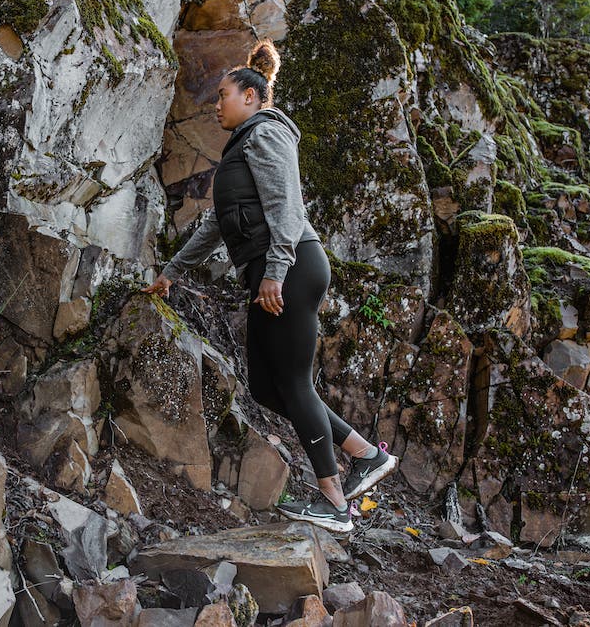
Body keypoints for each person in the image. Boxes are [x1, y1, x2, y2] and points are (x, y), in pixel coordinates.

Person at [142, 39, 398, 534]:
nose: (216, 104)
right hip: (271, 270)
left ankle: (334, 502)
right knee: (265, 385)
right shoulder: (241, 146)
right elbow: (217, 222)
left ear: (253, 97)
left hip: (290, 267)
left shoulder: (268, 134)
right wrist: (173, 270)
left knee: (295, 383)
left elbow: (287, 208)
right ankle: (363, 454)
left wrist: (276, 271)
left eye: (224, 95)